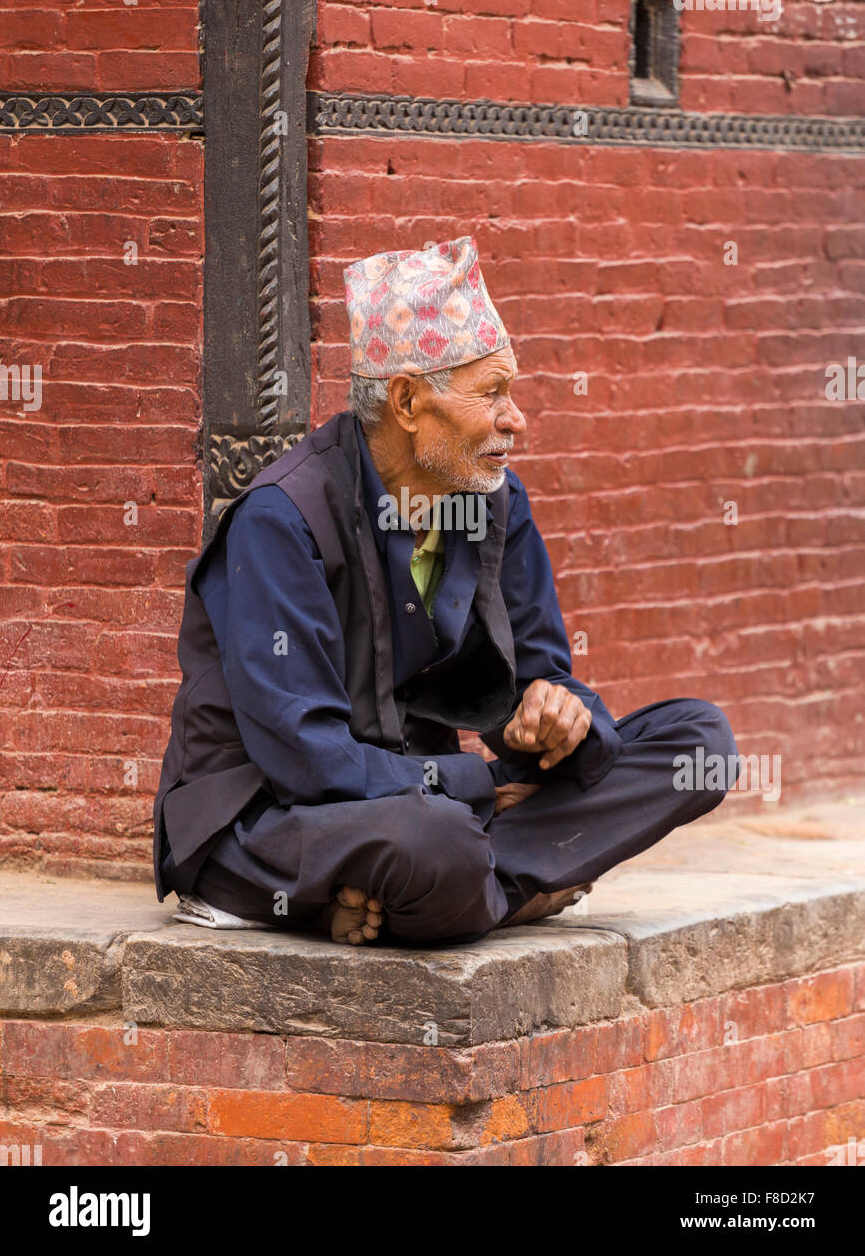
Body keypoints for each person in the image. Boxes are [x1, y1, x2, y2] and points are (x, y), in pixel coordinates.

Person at [152, 233, 739, 947]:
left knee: (697, 742)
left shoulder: (491, 500)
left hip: (430, 802)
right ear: (405, 401)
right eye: (492, 392)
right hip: (281, 816)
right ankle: (503, 885)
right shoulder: (283, 519)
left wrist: (559, 716)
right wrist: (480, 784)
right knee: (435, 845)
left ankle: (451, 899)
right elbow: (305, 759)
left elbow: (544, 675)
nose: (514, 418)